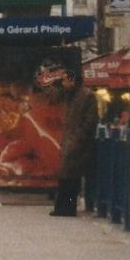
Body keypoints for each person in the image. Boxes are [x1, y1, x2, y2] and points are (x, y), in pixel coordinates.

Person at [51, 73, 98, 217]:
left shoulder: (87, 96)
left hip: (79, 143)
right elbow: (54, 98)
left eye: (64, 80)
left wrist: (79, 138)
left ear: (72, 80)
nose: (63, 83)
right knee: (66, 176)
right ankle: (63, 207)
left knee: (71, 177)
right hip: (70, 141)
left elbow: (90, 121)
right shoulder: (70, 95)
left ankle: (67, 208)